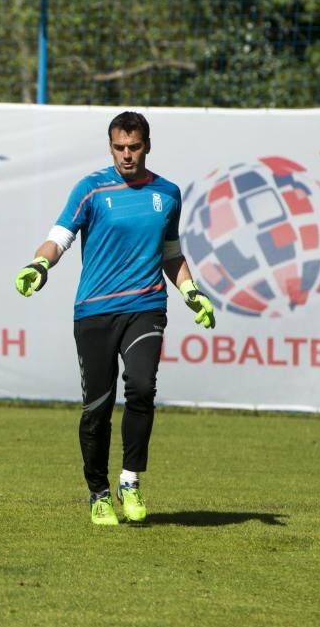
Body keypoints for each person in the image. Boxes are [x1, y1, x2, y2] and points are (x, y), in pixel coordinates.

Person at [14, 111, 215, 526]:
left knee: (141, 388)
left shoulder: (168, 193)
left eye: (135, 147)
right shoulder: (91, 190)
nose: (127, 155)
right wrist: (38, 265)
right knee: (97, 408)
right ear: (111, 147)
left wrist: (191, 292)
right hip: (94, 311)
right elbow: (59, 239)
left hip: (145, 306)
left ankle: (130, 481)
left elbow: (171, 254)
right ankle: (98, 492)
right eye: (120, 147)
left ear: (147, 145)